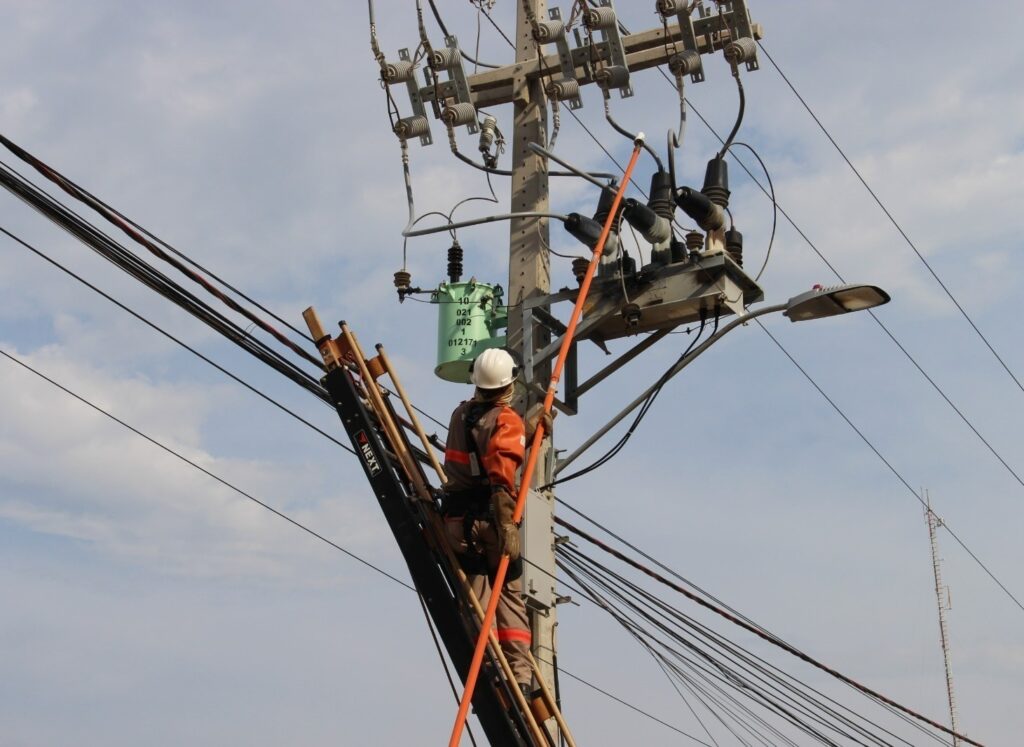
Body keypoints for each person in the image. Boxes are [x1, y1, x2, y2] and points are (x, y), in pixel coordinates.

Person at [440, 347, 551, 697]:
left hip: (458, 523)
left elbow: (481, 453)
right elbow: (500, 473)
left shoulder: (460, 415)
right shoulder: (506, 419)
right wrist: (506, 526)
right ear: (510, 383)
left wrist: (529, 433)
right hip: (492, 522)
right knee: (509, 597)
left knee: (477, 601)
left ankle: (488, 668)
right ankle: (517, 673)